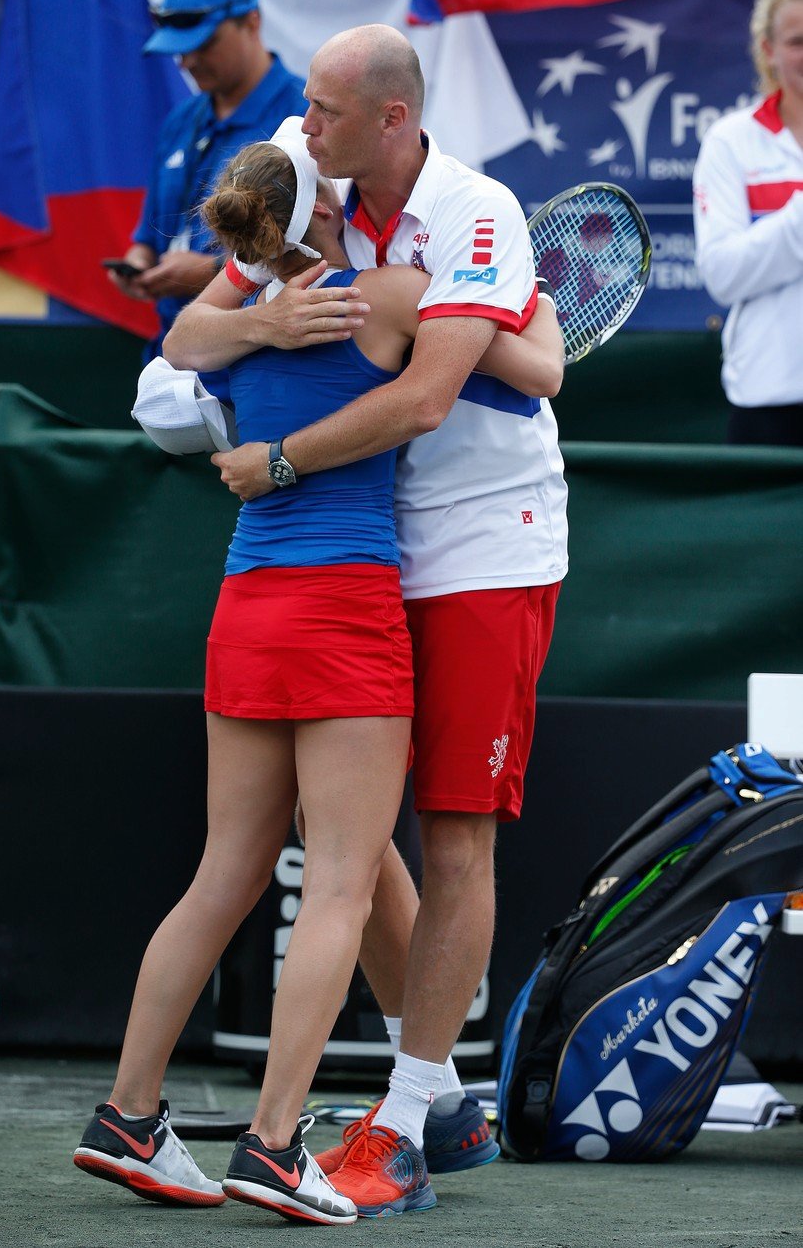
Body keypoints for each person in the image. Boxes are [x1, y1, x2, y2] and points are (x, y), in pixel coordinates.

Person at [73, 118, 562, 1224]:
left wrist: (260, 319)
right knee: (342, 881)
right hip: (346, 610)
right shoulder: (393, 296)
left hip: (244, 607)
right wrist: (522, 313)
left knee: (221, 875)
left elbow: (185, 345)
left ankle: (129, 1115)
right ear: (323, 212)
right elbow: (536, 367)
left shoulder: (233, 322)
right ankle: (275, 1141)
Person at [105, 0, 308, 403]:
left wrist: (214, 270)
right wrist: (140, 263)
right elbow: (150, 233)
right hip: (171, 362)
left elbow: (326, 243)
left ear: (252, 21)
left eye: (205, 43)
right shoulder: (181, 120)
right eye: (179, 48)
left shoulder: (301, 116)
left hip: (259, 369)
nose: (188, 61)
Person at [693, 0, 803, 447]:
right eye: (799, 41)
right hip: (769, 400)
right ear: (769, 50)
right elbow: (723, 274)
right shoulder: (731, 141)